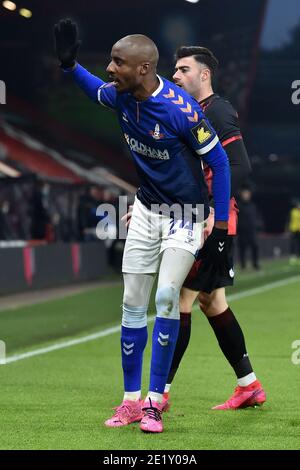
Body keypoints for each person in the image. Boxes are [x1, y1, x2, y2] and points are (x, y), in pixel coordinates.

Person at [54, 20, 230, 433]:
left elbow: (219, 162)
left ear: (144, 69)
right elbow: (92, 87)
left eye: (118, 62)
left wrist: (218, 225)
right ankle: (130, 401)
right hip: (147, 211)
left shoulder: (179, 110)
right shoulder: (120, 97)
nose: (111, 69)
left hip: (186, 215)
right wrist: (69, 65)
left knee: (167, 295)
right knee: (133, 301)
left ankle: (154, 402)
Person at [162, 47, 265, 410]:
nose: (175, 75)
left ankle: (159, 394)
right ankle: (249, 385)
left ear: (204, 75)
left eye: (183, 69)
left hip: (212, 224)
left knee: (178, 302)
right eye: (173, 69)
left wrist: (211, 213)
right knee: (212, 301)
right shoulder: (188, 113)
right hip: (198, 219)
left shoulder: (217, 110)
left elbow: (239, 166)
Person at [237, 188, 260, 270]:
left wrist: (256, 225)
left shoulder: (253, 206)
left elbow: (256, 217)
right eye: (244, 194)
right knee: (242, 248)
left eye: (247, 194)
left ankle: (255, 263)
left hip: (252, 231)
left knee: (255, 246)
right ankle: (243, 265)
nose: (246, 196)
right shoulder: (238, 206)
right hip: (242, 231)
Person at [288, 201, 300, 265]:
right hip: (293, 229)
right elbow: (290, 220)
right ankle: (293, 255)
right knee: (292, 243)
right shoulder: (293, 211)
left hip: (299, 229)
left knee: (298, 243)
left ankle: (298, 255)